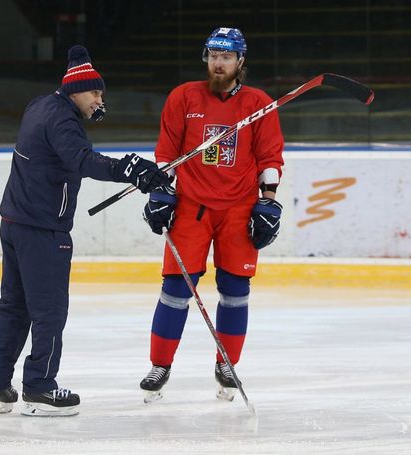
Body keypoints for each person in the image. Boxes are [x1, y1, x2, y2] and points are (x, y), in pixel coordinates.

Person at [0, 45, 169, 416]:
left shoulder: (39, 105)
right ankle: (40, 387)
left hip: (15, 223)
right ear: (77, 90)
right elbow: (82, 160)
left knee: (13, 307)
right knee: (48, 310)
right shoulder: (63, 120)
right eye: (96, 92)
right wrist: (129, 168)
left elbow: (62, 157)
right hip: (43, 230)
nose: (100, 99)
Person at [140, 27, 285, 402]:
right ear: (206, 58)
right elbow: (166, 152)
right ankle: (160, 365)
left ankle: (227, 364)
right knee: (174, 289)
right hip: (191, 208)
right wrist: (161, 191)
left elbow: (270, 157)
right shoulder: (183, 97)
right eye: (213, 55)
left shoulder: (259, 104)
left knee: (235, 290)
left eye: (226, 56)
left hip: (239, 209)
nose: (218, 63)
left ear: (240, 61)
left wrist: (268, 200)